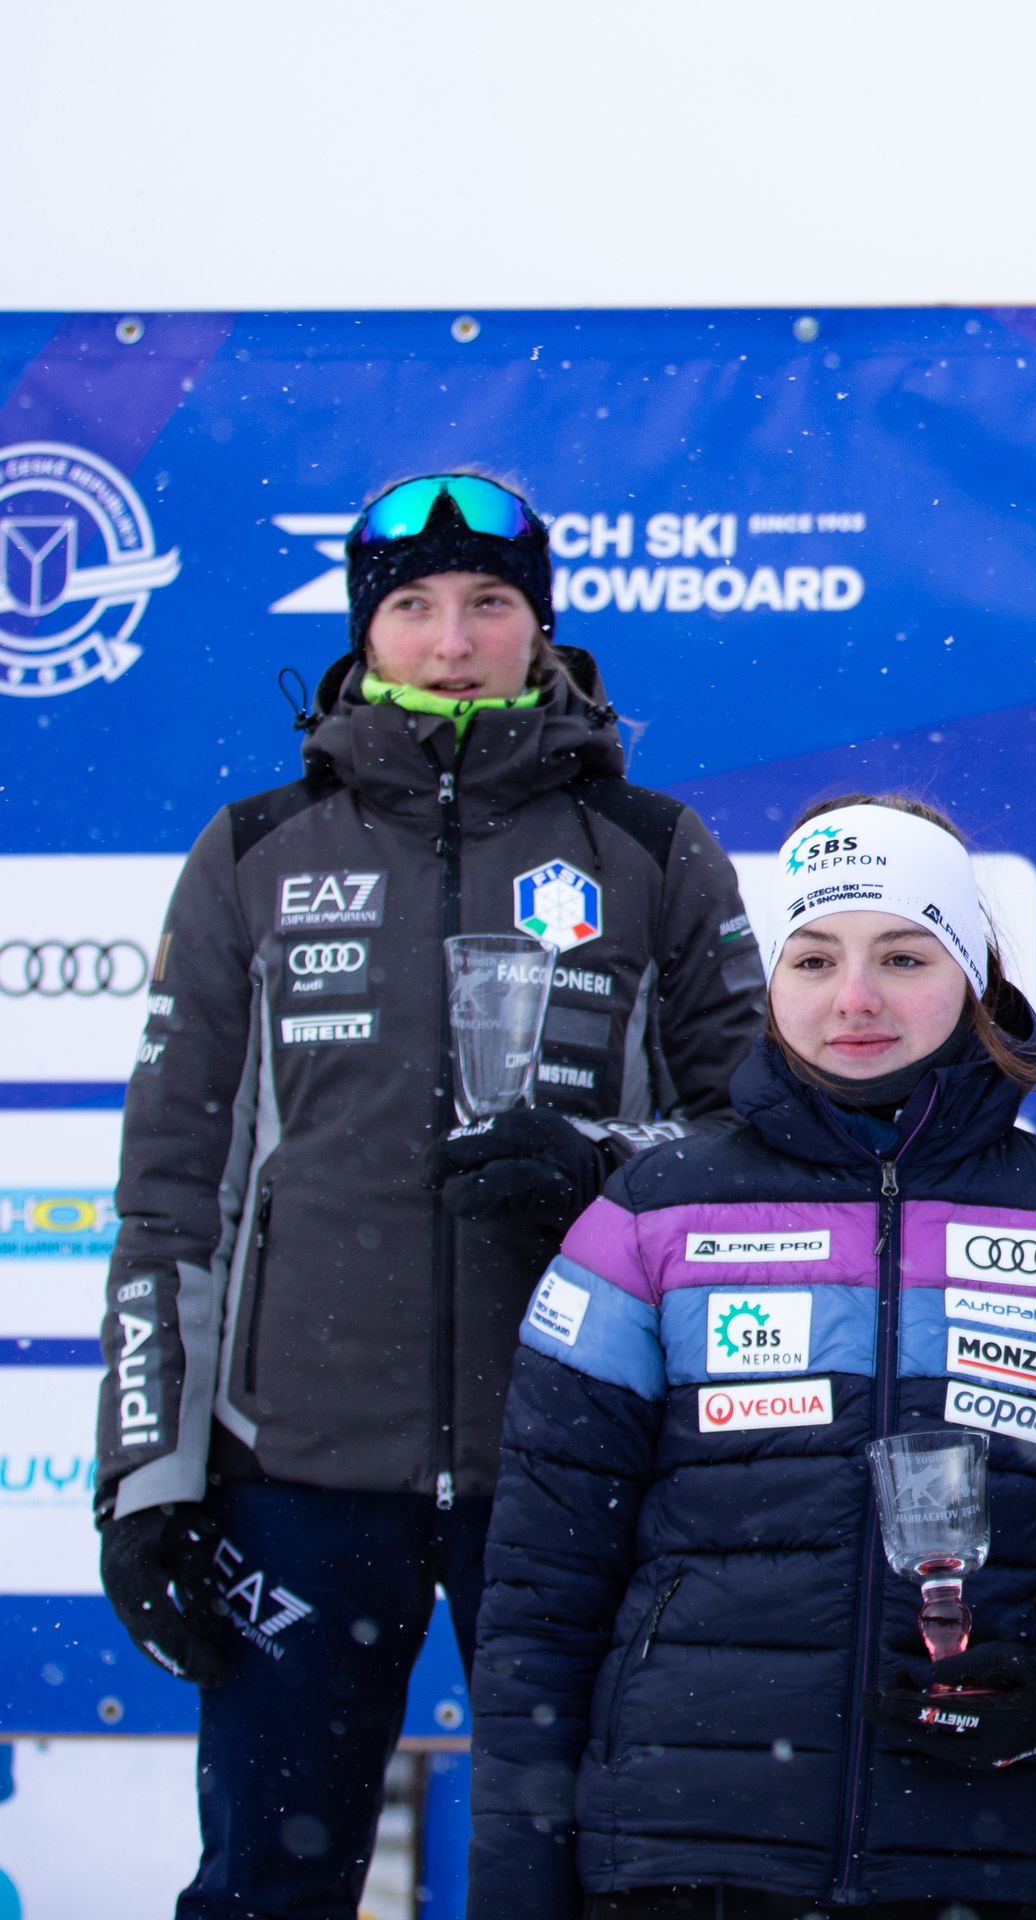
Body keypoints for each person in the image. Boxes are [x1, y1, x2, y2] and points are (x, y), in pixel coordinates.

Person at [92, 472, 764, 1919]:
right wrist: (147, 1485)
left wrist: (604, 1167)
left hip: (574, 1471)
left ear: (541, 627)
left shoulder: (652, 849)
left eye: (488, 605)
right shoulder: (255, 853)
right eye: (413, 606)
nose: (452, 640)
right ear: (365, 628)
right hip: (299, 1482)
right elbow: (170, 1197)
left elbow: (755, 1159)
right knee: (269, 1884)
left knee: (583, 1881)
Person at [471, 795, 1036, 1920]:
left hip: (994, 1861)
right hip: (687, 1862)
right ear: (771, 982)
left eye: (903, 954)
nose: (857, 998)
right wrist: (515, 1885)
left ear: (971, 970)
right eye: (815, 957)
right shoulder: (648, 1218)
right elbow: (541, 1601)